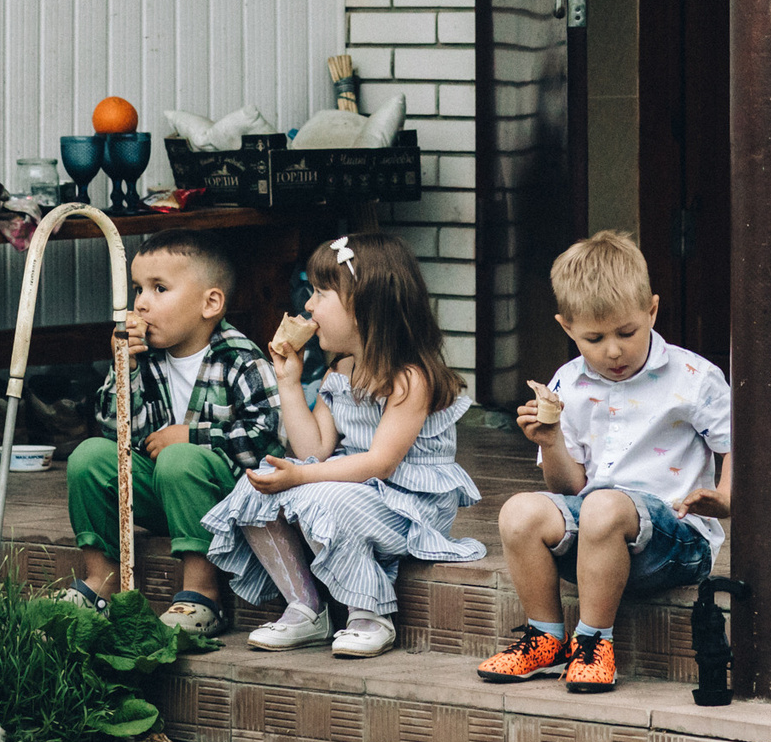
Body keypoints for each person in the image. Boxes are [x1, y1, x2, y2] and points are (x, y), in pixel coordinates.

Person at [202, 232, 484, 659]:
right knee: (255, 486)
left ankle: (370, 614)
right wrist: (288, 383)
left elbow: (380, 463)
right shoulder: (339, 372)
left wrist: (303, 476)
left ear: (365, 304)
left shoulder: (410, 377)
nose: (309, 306)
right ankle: (305, 607)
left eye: (321, 293)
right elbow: (313, 448)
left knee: (323, 498)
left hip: (409, 503)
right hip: (354, 487)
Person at [479, 230, 732, 693]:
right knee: (519, 511)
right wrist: (551, 441)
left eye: (626, 332)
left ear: (652, 311)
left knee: (604, 506)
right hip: (597, 539)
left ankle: (595, 642)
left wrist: (727, 498)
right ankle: (546, 637)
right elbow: (569, 488)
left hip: (676, 542)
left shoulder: (694, 377)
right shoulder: (568, 383)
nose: (612, 351)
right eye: (593, 338)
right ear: (566, 327)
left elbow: (737, 443)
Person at [61, 229, 281, 637]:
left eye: (159, 289)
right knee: (89, 456)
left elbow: (267, 439)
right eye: (138, 289)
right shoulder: (145, 356)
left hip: (227, 503)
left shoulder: (241, 359)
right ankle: (102, 582)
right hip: (165, 494)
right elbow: (116, 431)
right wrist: (124, 368)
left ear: (210, 303)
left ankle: (202, 593)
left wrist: (194, 437)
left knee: (180, 457)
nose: (141, 303)